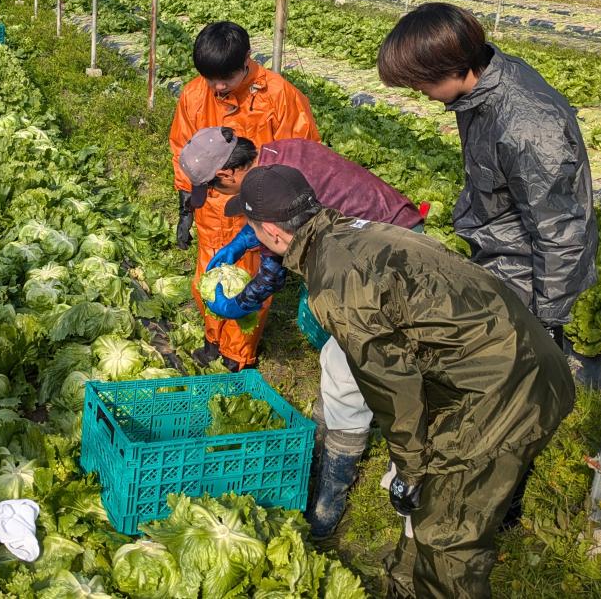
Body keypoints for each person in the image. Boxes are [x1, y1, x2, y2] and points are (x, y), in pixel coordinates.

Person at [231, 164, 575, 599]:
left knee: (449, 537)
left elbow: (392, 385)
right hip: (504, 360)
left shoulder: (337, 283)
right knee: (430, 510)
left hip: (503, 389)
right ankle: (406, 585)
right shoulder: (351, 233)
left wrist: (409, 468)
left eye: (253, 229)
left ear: (273, 232)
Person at [179, 126, 423, 537]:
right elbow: (278, 226)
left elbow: (281, 253)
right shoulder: (278, 155)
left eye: (214, 188)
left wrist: (244, 299)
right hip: (382, 234)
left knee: (347, 371)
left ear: (226, 174)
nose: (218, 195)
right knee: (339, 354)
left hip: (384, 255)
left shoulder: (285, 194)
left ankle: (332, 491)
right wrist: (243, 242)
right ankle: (335, 427)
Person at [376, 3, 597, 348]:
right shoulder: (480, 89)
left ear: (450, 67)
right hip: (498, 252)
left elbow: (558, 231)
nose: (417, 90)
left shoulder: (526, 127)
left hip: (524, 274)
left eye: (419, 82)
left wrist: (546, 320)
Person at [169, 21, 318, 371]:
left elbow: (301, 154)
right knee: (208, 276)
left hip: (258, 207)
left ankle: (237, 354)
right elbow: (183, 150)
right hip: (211, 205)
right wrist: (185, 205)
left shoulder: (278, 96)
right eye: (211, 79)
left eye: (226, 79)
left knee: (247, 283)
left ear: (248, 59)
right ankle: (212, 338)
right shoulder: (194, 94)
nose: (218, 87)